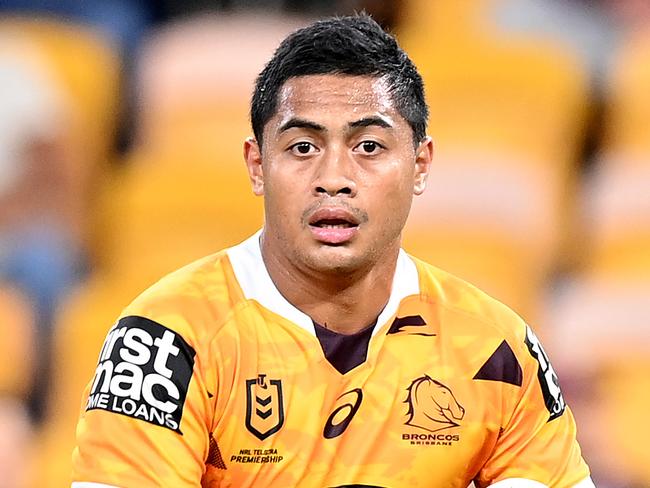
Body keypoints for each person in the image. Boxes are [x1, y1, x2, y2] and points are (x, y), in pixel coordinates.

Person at [71, 14, 594, 487]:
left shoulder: (495, 349)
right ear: (257, 166)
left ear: (420, 164)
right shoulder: (165, 338)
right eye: (303, 147)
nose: (334, 179)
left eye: (369, 146)